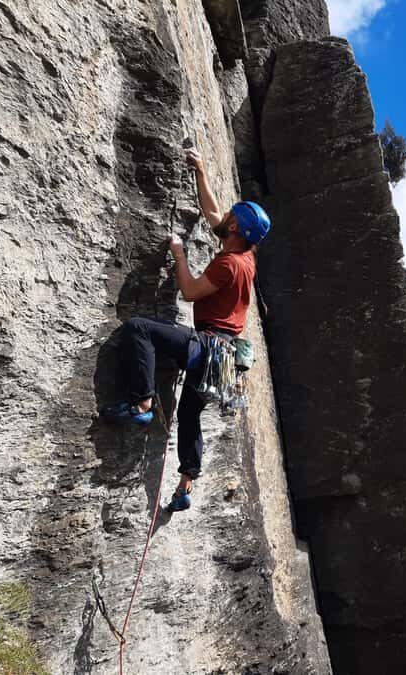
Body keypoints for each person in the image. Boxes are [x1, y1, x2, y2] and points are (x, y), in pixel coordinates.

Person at [102, 149, 270, 512]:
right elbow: (214, 215)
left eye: (232, 217)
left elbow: (190, 292)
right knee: (190, 415)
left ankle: (142, 402)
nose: (225, 217)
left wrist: (178, 254)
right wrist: (201, 170)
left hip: (206, 348)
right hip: (221, 358)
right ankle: (184, 486)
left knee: (139, 329)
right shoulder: (245, 255)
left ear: (237, 227)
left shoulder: (229, 263)